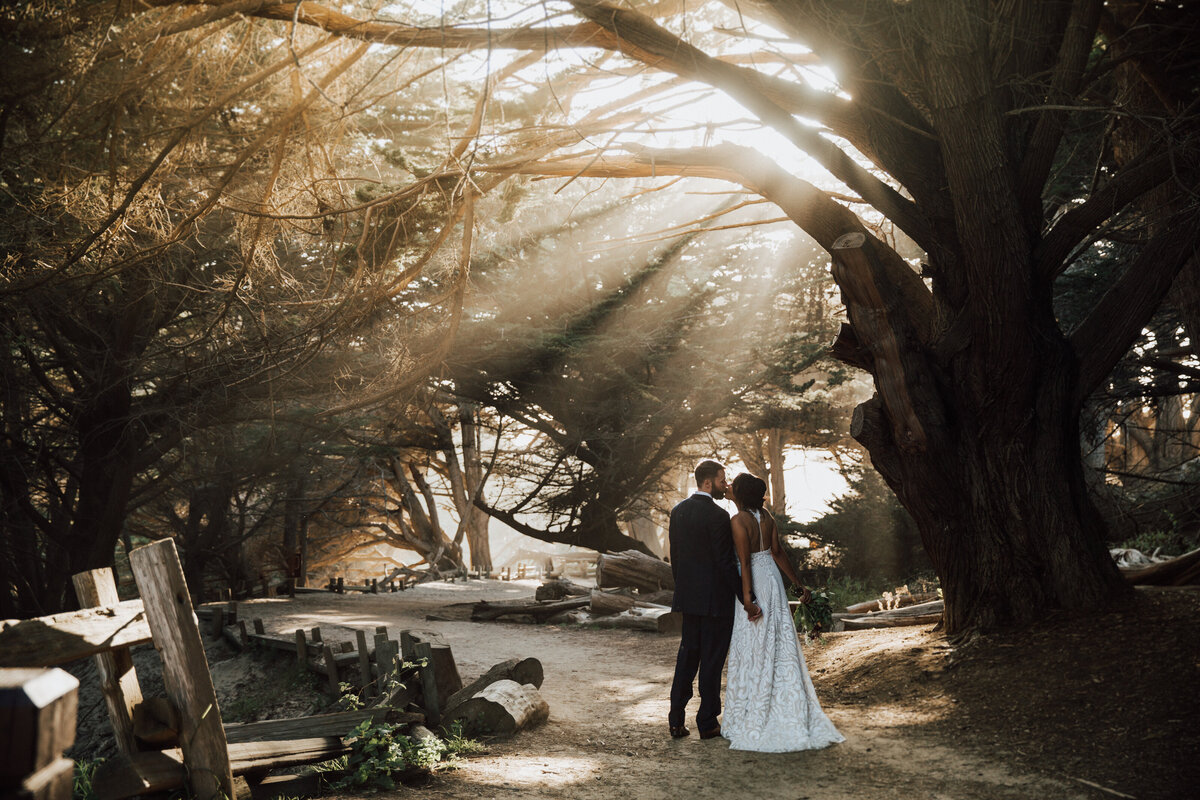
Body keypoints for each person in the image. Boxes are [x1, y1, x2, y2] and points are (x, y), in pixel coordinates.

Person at [722, 472, 845, 752]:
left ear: (740, 494)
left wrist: (747, 599)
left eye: (733, 487)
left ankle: (752, 710)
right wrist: (798, 585)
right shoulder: (767, 518)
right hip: (774, 583)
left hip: (754, 583)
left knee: (754, 645)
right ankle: (784, 702)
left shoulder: (738, 521)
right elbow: (777, 552)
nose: (729, 489)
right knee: (777, 642)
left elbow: (745, 562)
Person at [667, 460, 744, 740]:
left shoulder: (678, 512)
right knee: (711, 661)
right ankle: (708, 722)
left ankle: (676, 720)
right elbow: (725, 563)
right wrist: (743, 594)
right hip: (716, 601)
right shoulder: (718, 516)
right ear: (708, 482)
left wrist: (684, 590)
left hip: (689, 599)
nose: (726, 485)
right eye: (723, 480)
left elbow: (675, 559)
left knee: (687, 657)